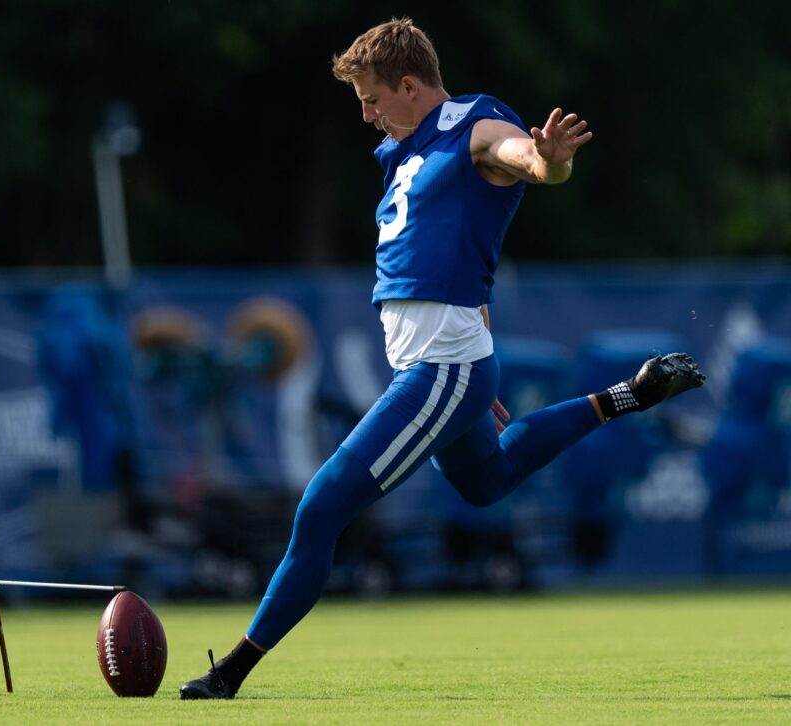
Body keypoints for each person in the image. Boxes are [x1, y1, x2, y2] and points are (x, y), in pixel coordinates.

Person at [179, 17, 705, 699]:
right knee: (487, 482)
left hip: (442, 367)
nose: (366, 115)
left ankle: (231, 673)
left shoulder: (471, 123)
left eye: (372, 99)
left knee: (320, 508)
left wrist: (549, 157)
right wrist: (475, 354)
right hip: (446, 363)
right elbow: (461, 250)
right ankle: (626, 396)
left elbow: (523, 158)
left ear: (408, 85)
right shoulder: (403, 151)